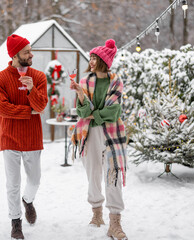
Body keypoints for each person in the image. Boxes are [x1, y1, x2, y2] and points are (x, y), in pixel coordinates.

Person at [0, 34, 48, 240]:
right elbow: (2, 108)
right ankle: (16, 222)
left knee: (34, 180)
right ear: (15, 55)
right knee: (12, 183)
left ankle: (28, 200)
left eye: (30, 50)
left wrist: (32, 88)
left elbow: (41, 106)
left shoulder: (39, 77)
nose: (31, 54)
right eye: (26, 52)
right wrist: (28, 112)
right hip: (10, 139)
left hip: (32, 138)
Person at [70, 39, 128, 240]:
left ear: (104, 60)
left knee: (113, 175)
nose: (91, 61)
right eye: (91, 57)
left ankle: (115, 222)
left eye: (95, 58)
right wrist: (79, 94)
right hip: (89, 134)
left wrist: (91, 112)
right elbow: (81, 111)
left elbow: (113, 112)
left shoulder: (116, 82)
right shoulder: (85, 82)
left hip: (112, 133)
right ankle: (97, 214)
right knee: (93, 174)